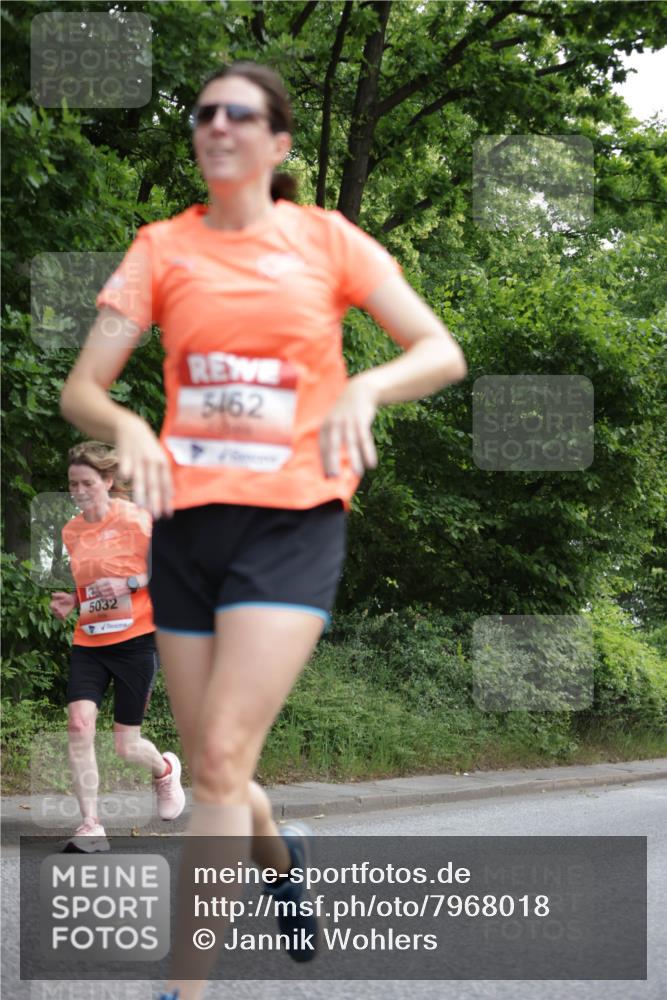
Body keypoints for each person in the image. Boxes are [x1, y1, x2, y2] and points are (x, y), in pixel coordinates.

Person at [59, 62, 467, 997]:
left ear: (278, 142)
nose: (216, 125)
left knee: (218, 768)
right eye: (204, 113)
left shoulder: (328, 242)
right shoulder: (158, 248)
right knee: (215, 761)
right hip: (189, 530)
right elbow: (83, 385)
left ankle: (181, 988)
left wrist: (366, 385)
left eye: (238, 114)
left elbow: (438, 350)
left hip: (294, 523)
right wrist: (124, 426)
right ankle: (285, 870)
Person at [50, 441, 185, 852]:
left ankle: (163, 769)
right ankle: (91, 825)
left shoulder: (137, 519)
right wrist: (73, 599)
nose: (79, 492)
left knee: (126, 746)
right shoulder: (71, 531)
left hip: (135, 641)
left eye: (87, 483)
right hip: (89, 640)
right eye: (73, 484)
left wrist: (128, 583)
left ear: (108, 481)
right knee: (78, 725)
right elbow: (85, 582)